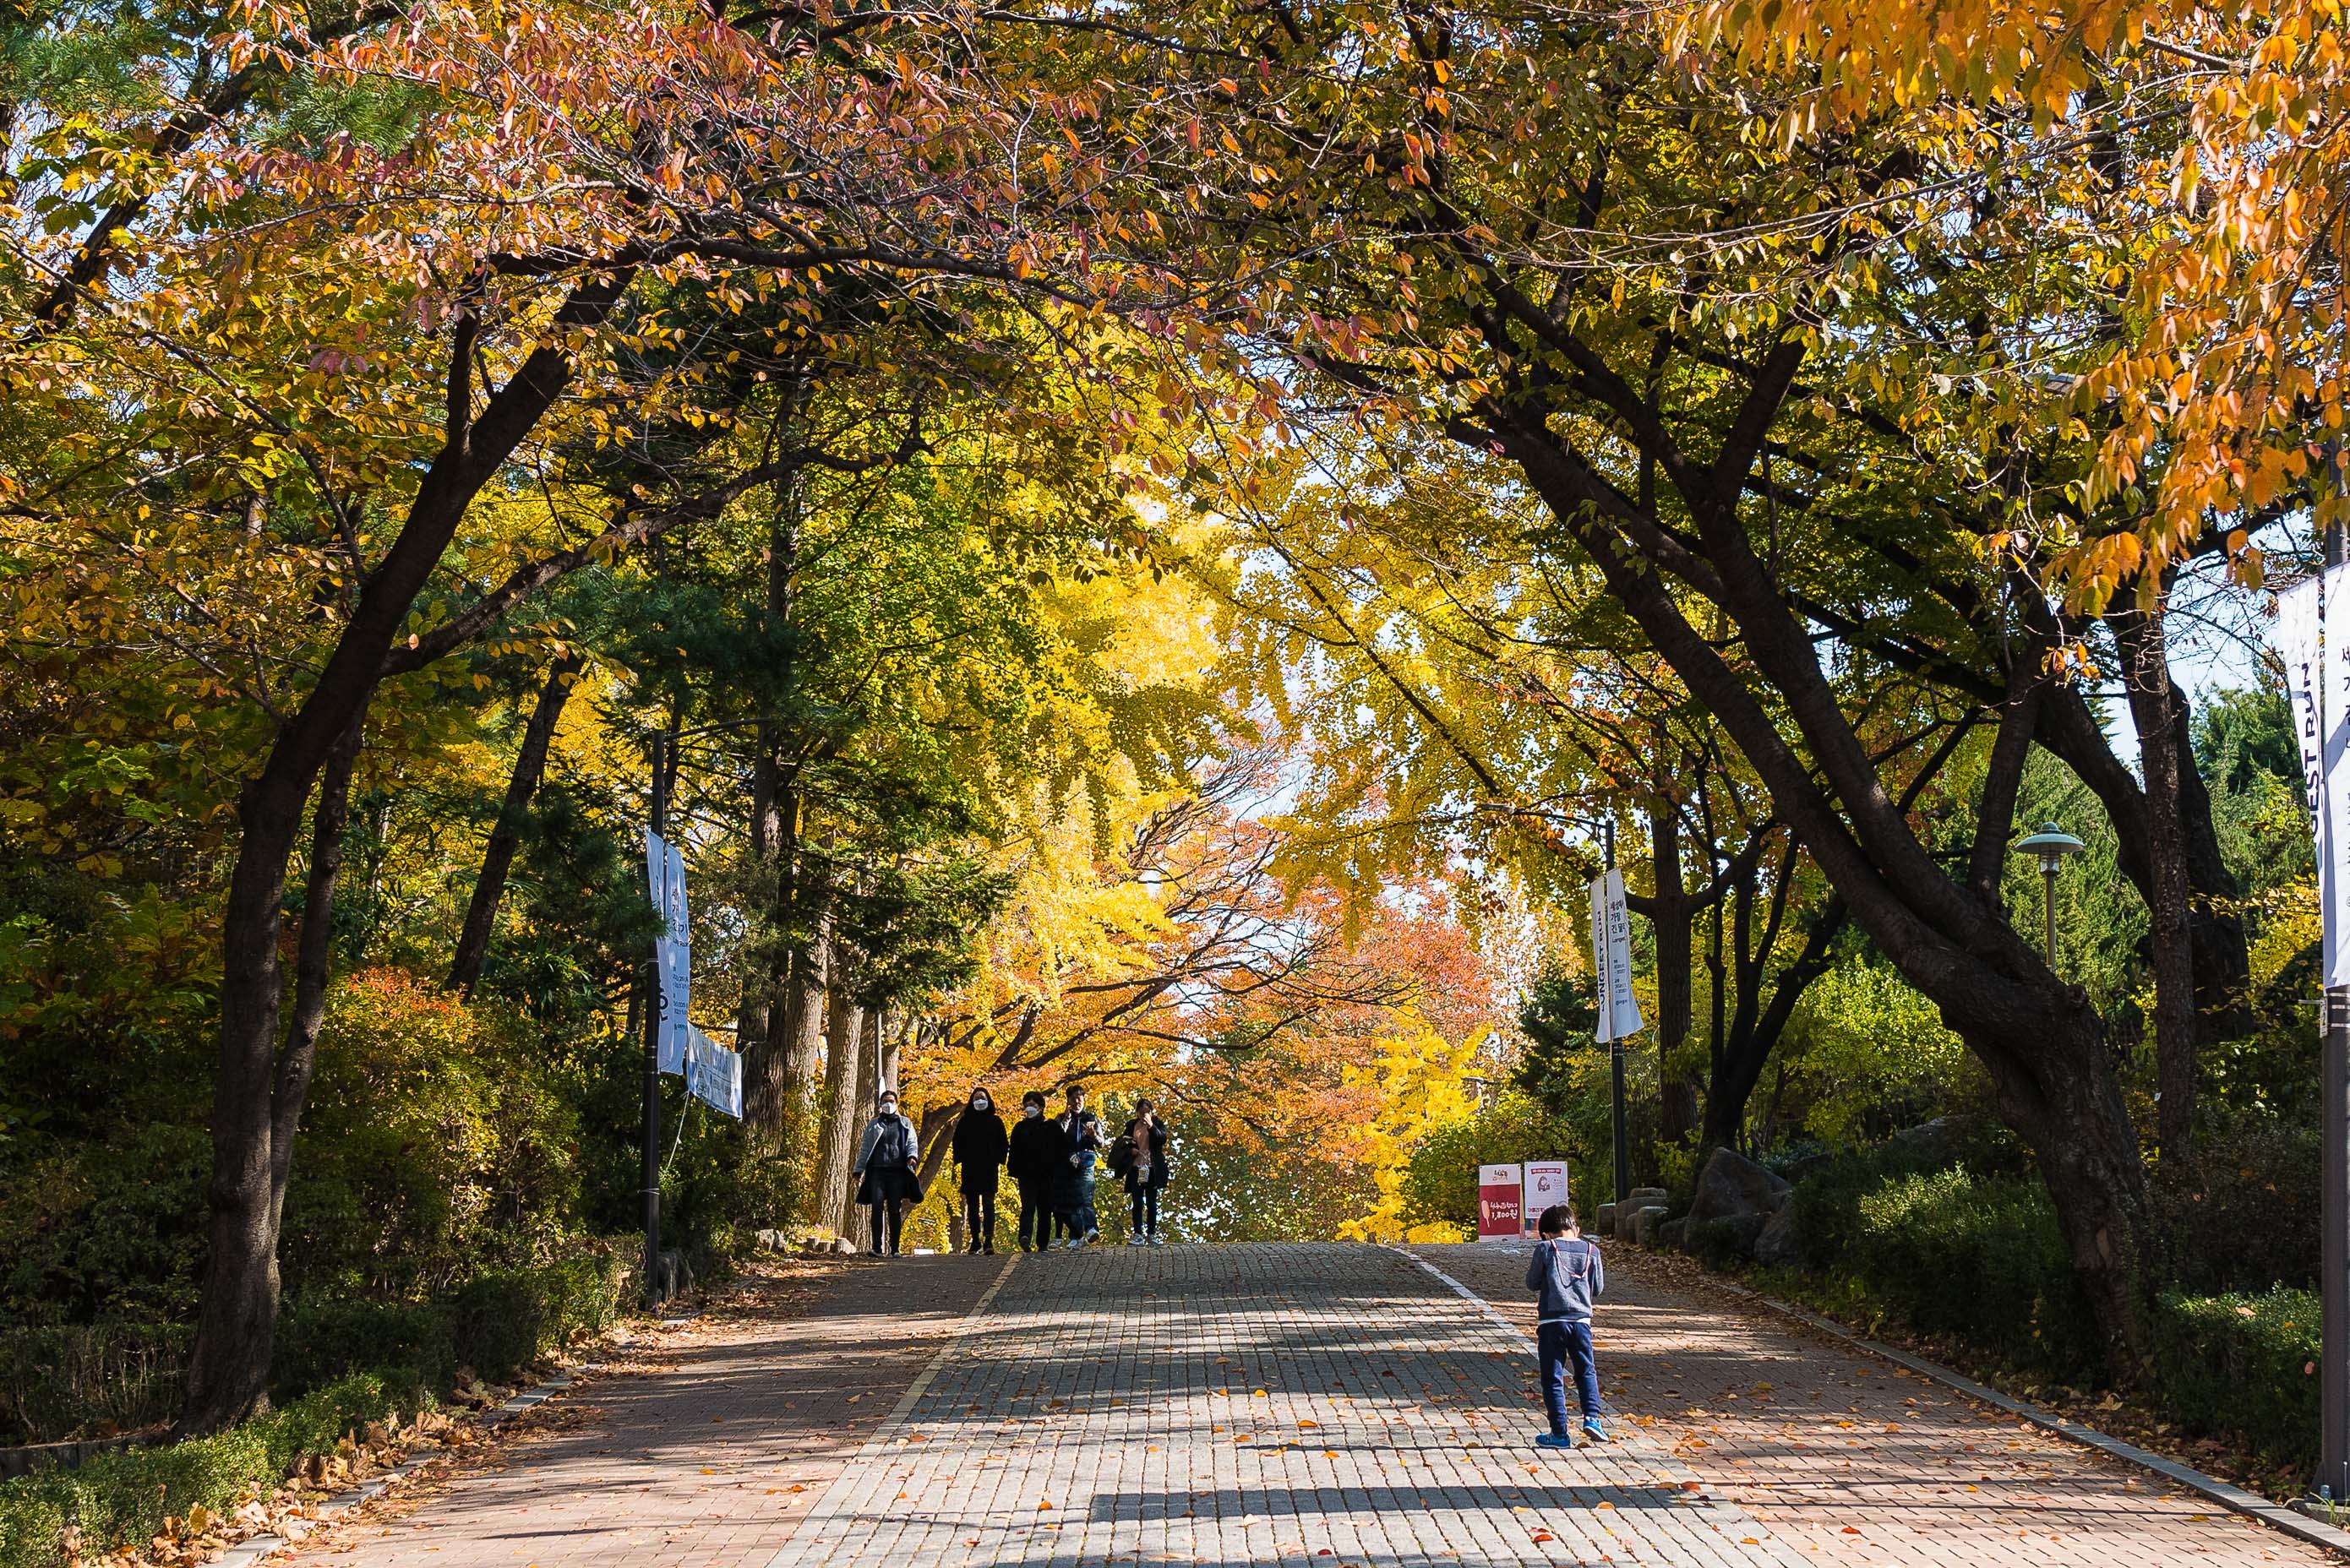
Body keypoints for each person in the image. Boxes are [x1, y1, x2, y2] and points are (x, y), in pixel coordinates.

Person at [1524, 1203, 1607, 1448]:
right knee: (1586, 1370)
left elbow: (1532, 1282)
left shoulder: (1545, 1248)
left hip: (1551, 1321)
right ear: (1576, 1228)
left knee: (1553, 1377)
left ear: (1547, 1233)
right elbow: (1598, 1288)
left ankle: (1559, 1433)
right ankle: (1592, 1418)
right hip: (1581, 1322)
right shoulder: (1592, 1251)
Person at [850, 1087, 922, 1257]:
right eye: (885, 1102)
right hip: (877, 1173)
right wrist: (858, 1169)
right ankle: (877, 1247)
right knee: (876, 1207)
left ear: (897, 1104)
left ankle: (895, 1248)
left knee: (894, 1209)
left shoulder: (905, 1123)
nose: (888, 1104)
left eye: (891, 1101)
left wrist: (912, 1156)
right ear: (880, 1105)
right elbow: (865, 1148)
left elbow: (912, 1142)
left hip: (897, 1173)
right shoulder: (874, 1124)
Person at [1005, 1090, 1069, 1252]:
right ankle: (1024, 1236)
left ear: (1040, 1107)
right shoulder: (1020, 1128)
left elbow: (1062, 1149)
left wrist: (1059, 1170)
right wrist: (1013, 1169)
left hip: (1047, 1175)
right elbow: (1014, 1151)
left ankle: (1042, 1243)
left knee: (1045, 1209)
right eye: (1026, 1105)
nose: (1029, 1108)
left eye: (1032, 1105)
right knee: (1028, 1207)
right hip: (1026, 1175)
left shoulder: (1051, 1126)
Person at [950, 1086, 1008, 1255]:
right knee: (973, 1206)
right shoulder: (965, 1121)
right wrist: (959, 1160)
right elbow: (957, 1141)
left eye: (982, 1098)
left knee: (989, 1204)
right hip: (970, 1168)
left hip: (989, 1168)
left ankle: (988, 1239)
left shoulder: (996, 1121)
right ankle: (975, 1239)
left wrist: (999, 1159)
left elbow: (1003, 1143)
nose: (979, 1101)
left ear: (988, 1100)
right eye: (976, 1099)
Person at [1053, 1083, 1103, 1247]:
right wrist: (1067, 1119)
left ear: (1084, 1099)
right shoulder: (1061, 1118)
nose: (1076, 1102)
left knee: (1086, 1196)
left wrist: (1093, 1135)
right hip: (1066, 1163)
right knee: (1070, 1201)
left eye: (1079, 1098)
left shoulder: (1092, 1118)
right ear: (1068, 1100)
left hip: (1086, 1161)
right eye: (1073, 1098)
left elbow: (1101, 1143)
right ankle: (1076, 1235)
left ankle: (1091, 1228)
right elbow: (1056, 1139)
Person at [1115, 1098, 1170, 1244]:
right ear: (1137, 1112)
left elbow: (1161, 1139)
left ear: (1151, 1111)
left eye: (1147, 1111)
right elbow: (1124, 1142)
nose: (1144, 1114)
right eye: (1141, 1112)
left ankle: (1151, 1234)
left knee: (1152, 1202)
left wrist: (1151, 1125)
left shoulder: (1157, 1123)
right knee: (1137, 1202)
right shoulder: (1132, 1125)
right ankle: (1137, 1233)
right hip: (1136, 1168)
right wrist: (1130, 1150)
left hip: (1152, 1168)